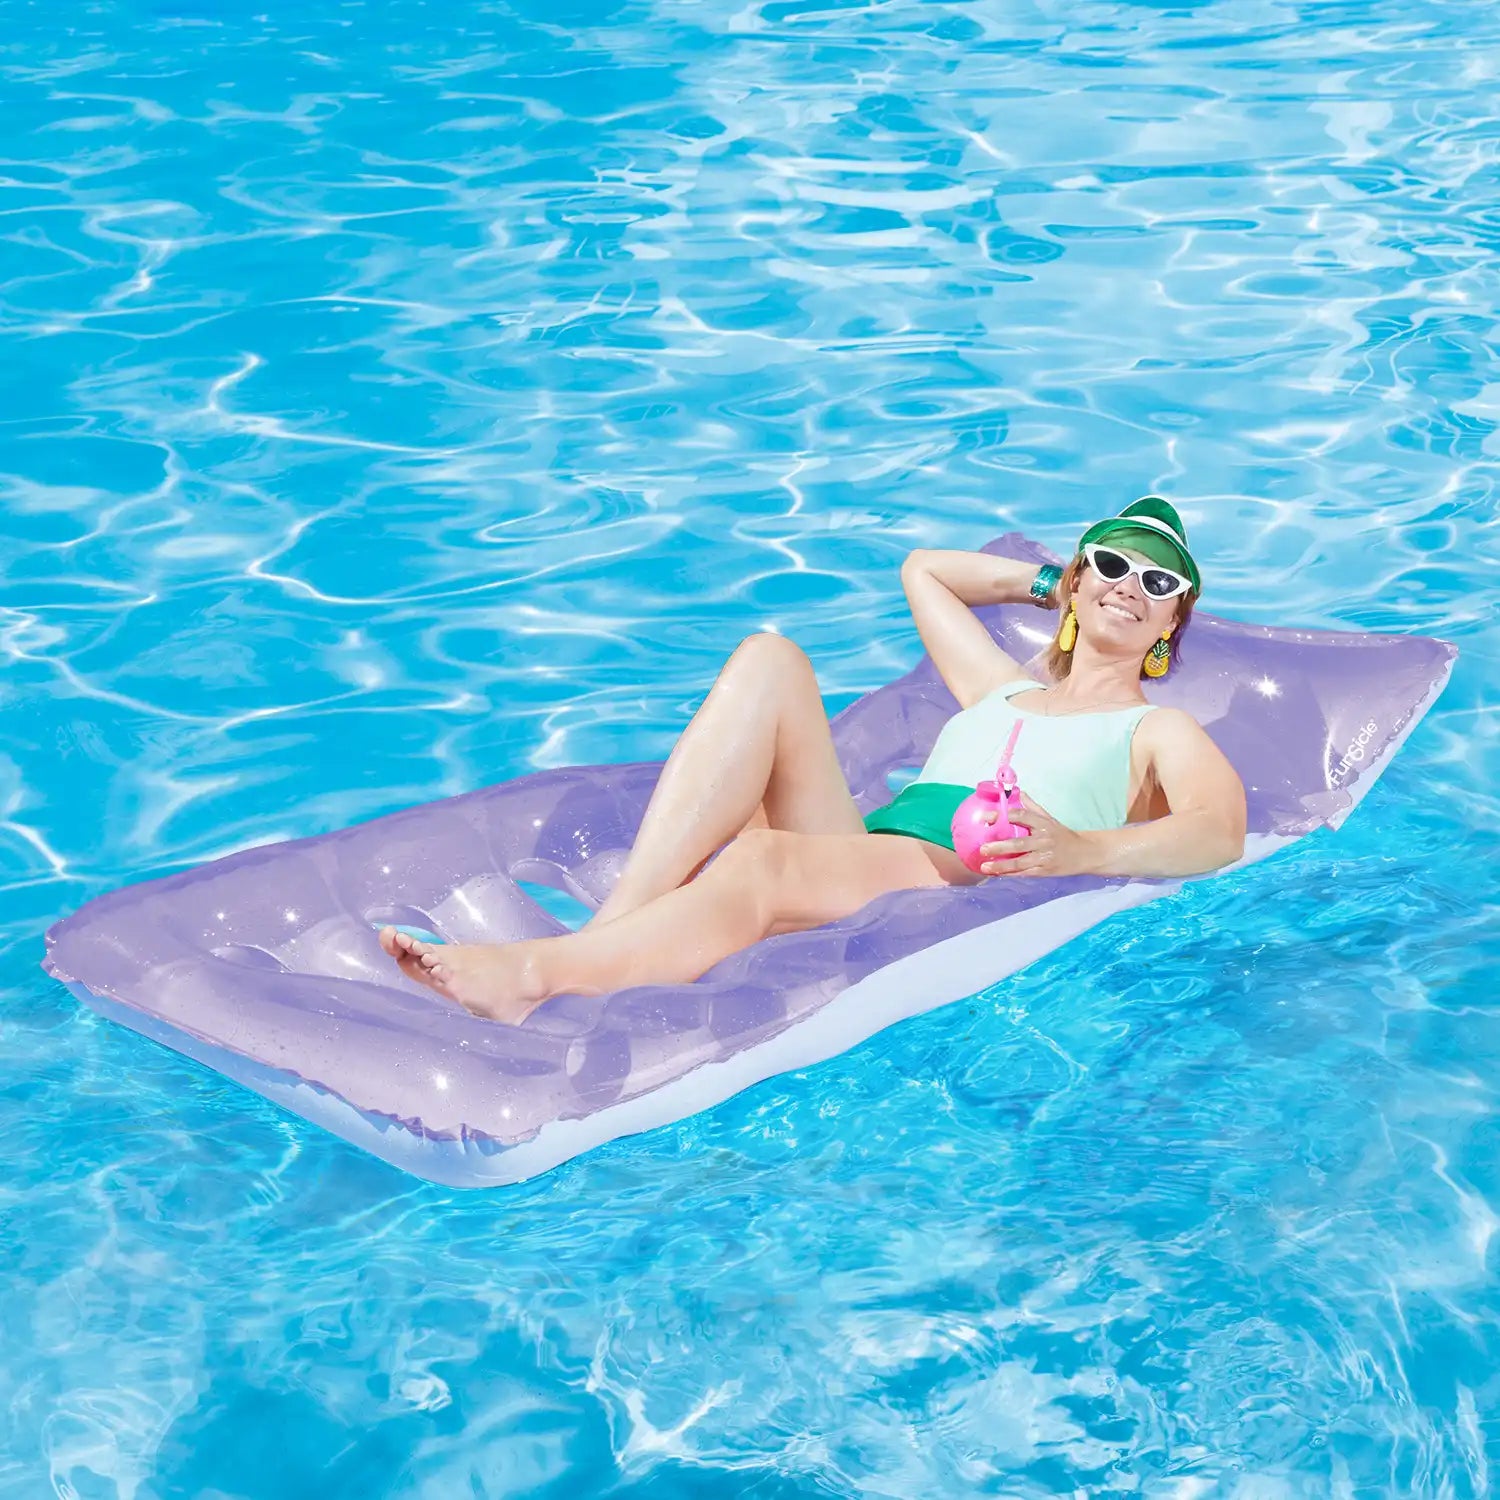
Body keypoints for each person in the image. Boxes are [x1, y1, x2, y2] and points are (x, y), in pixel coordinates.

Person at [380, 496, 1247, 1023]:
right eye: (1112, 565)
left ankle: (535, 976)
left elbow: (1220, 831)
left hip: (960, 883)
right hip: (871, 854)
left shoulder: (1154, 731)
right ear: (1080, 584)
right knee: (770, 659)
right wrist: (1047, 577)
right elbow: (924, 573)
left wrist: (1081, 850)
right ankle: (615, 936)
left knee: (757, 856)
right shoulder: (998, 689)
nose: (1132, 586)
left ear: (1175, 622)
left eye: (1160, 584)